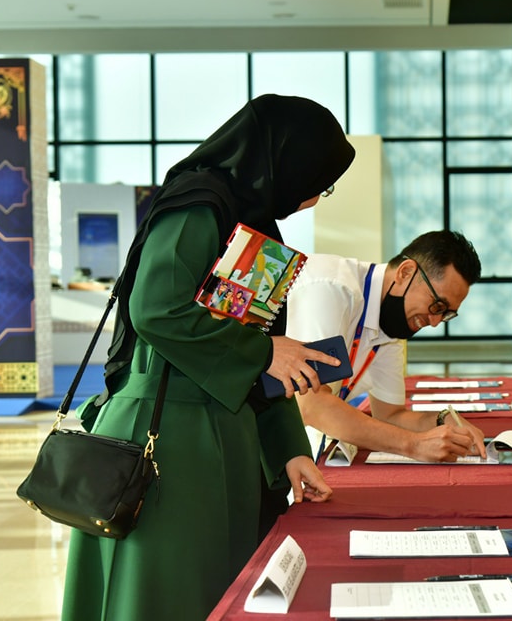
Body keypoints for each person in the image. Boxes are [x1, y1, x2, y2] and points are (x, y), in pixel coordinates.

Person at [61, 94, 356, 621]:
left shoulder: (250, 222)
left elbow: (259, 351)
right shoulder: (200, 204)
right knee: (165, 597)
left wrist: (290, 450)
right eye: (321, 181)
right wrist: (263, 351)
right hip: (166, 444)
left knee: (214, 596)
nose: (315, 198)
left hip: (221, 441)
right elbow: (157, 309)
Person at [284, 231, 486, 464]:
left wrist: (443, 420)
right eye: (437, 306)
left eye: (446, 314)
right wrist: (414, 445)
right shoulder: (332, 289)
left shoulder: (390, 325)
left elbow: (390, 415)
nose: (434, 322)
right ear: (405, 272)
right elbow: (310, 403)